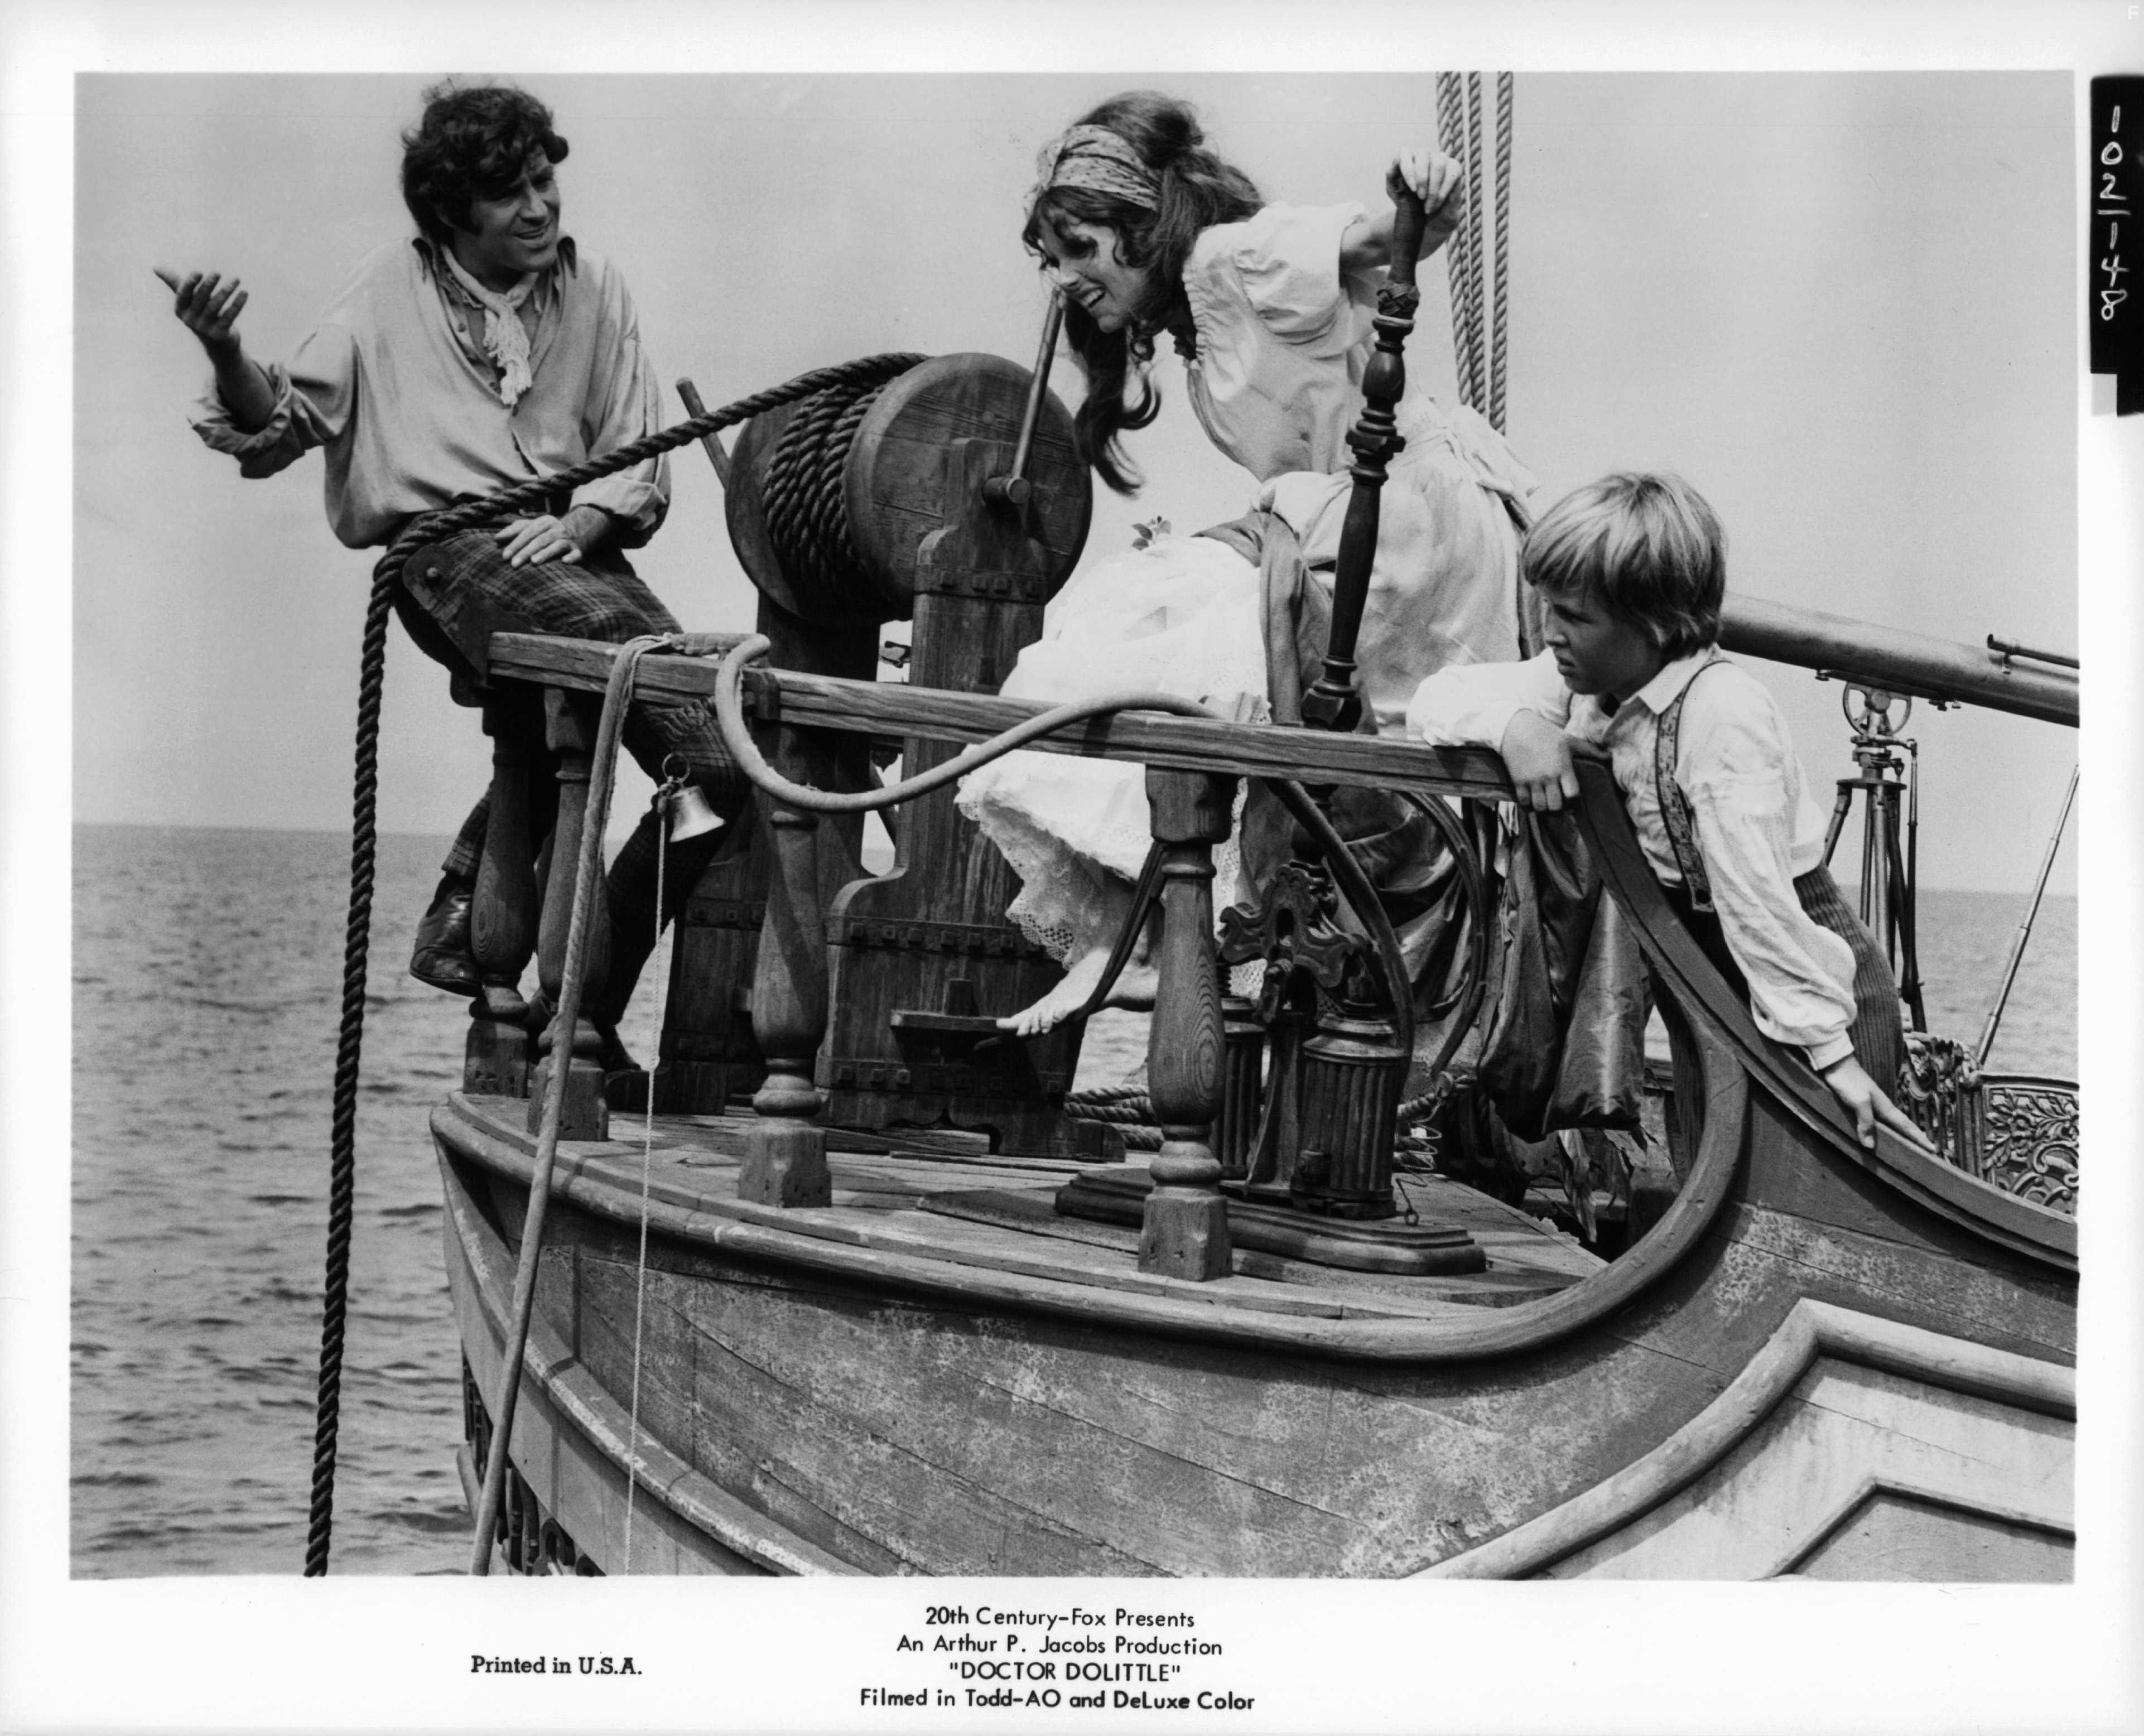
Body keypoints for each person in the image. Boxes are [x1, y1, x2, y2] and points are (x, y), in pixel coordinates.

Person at [166, 80, 743, 1034]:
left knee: (723, 758)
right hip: (445, 555)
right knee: (614, 668)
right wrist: (226, 349)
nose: (540, 205)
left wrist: (586, 523)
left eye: (546, 180)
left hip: (569, 552)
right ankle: (560, 1009)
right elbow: (279, 429)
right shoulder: (387, 289)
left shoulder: (597, 287)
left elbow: (639, 447)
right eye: (509, 191)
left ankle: (568, 1005)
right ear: (448, 212)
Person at [957, 90, 1534, 1035]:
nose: (1062, 277)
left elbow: (1390, 244)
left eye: (1079, 248)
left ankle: (1145, 935)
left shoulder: (1232, 260)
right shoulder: (1191, 329)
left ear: (1141, 228)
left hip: (1406, 526)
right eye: (1050, 258)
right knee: (1142, 634)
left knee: (1159, 643)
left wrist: (1424, 201)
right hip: (1339, 519)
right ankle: (1141, 929)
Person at [1405, 472, 1929, 1151]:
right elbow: (1434, 700)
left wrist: (1835, 1059)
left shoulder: (1722, 715)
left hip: (1816, 995)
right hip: (1709, 981)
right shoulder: (1588, 687)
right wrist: (1515, 729)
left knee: (1823, 1199)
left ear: (1652, 622)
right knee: (1709, 1169)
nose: (1549, 633)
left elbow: (1758, 905)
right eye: (1547, 607)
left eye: (1575, 617)